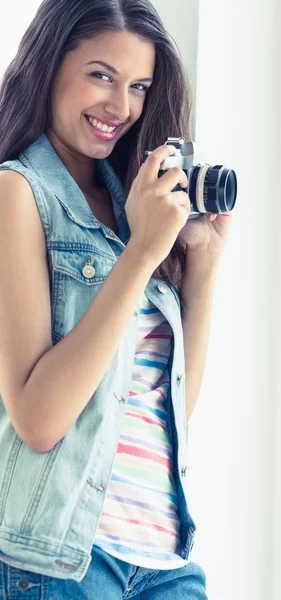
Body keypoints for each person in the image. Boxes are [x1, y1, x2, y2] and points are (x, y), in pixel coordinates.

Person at [0, 0, 232, 597]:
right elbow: (39, 419)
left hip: (165, 563)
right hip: (64, 564)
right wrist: (140, 255)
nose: (120, 107)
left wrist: (202, 260)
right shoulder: (16, 194)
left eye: (138, 86)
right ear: (48, 66)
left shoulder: (136, 206)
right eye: (101, 75)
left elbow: (169, 409)